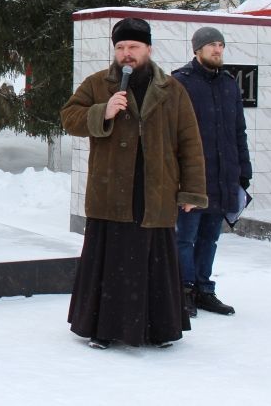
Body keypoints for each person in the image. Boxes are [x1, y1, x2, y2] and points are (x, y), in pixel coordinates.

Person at [60, 17, 207, 349]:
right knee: (110, 261)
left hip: (154, 191)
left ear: (148, 49)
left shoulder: (172, 89)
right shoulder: (99, 83)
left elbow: (190, 142)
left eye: (133, 47)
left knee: (153, 261)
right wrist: (102, 111)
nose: (126, 54)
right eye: (121, 47)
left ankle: (158, 327)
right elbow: (69, 117)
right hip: (110, 191)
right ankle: (103, 328)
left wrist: (192, 190)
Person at [172, 27, 251, 317]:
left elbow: (238, 131)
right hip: (193, 179)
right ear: (197, 50)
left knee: (210, 238)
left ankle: (204, 290)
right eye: (211, 45)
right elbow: (171, 136)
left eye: (221, 45)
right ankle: (184, 290)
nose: (217, 50)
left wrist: (244, 171)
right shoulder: (180, 82)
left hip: (223, 177)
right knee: (184, 238)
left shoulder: (229, 84)